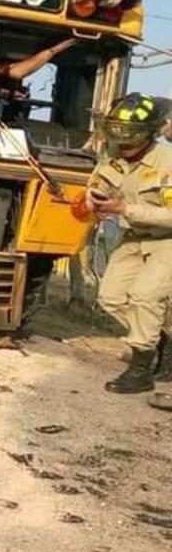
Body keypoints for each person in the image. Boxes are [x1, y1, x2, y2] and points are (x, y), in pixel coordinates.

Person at [87, 93, 172, 394]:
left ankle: (140, 370)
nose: (123, 146)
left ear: (149, 134)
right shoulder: (114, 152)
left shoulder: (167, 162)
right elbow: (98, 182)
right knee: (110, 298)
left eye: (130, 140)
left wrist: (125, 209)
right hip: (134, 236)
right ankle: (160, 335)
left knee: (145, 297)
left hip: (167, 240)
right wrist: (93, 200)